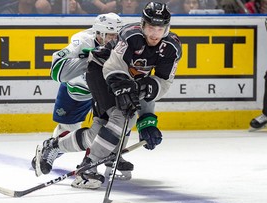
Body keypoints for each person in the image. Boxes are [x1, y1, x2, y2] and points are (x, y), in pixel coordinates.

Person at [34, 1, 182, 190]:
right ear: (143, 24)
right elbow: (112, 67)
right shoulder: (131, 36)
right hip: (100, 73)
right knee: (122, 116)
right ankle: (88, 167)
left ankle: (55, 146)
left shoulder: (172, 48)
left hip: (126, 80)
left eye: (160, 29)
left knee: (99, 131)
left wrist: (147, 120)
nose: (155, 34)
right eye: (151, 27)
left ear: (167, 29)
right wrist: (124, 88)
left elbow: (161, 83)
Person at [32, 13, 130, 185]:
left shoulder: (123, 44)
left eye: (117, 34)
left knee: (115, 122)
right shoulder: (82, 41)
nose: (114, 38)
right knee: (68, 131)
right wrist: (88, 59)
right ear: (99, 34)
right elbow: (56, 71)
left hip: (100, 92)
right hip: (76, 92)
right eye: (110, 35)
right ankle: (51, 148)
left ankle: (103, 161)